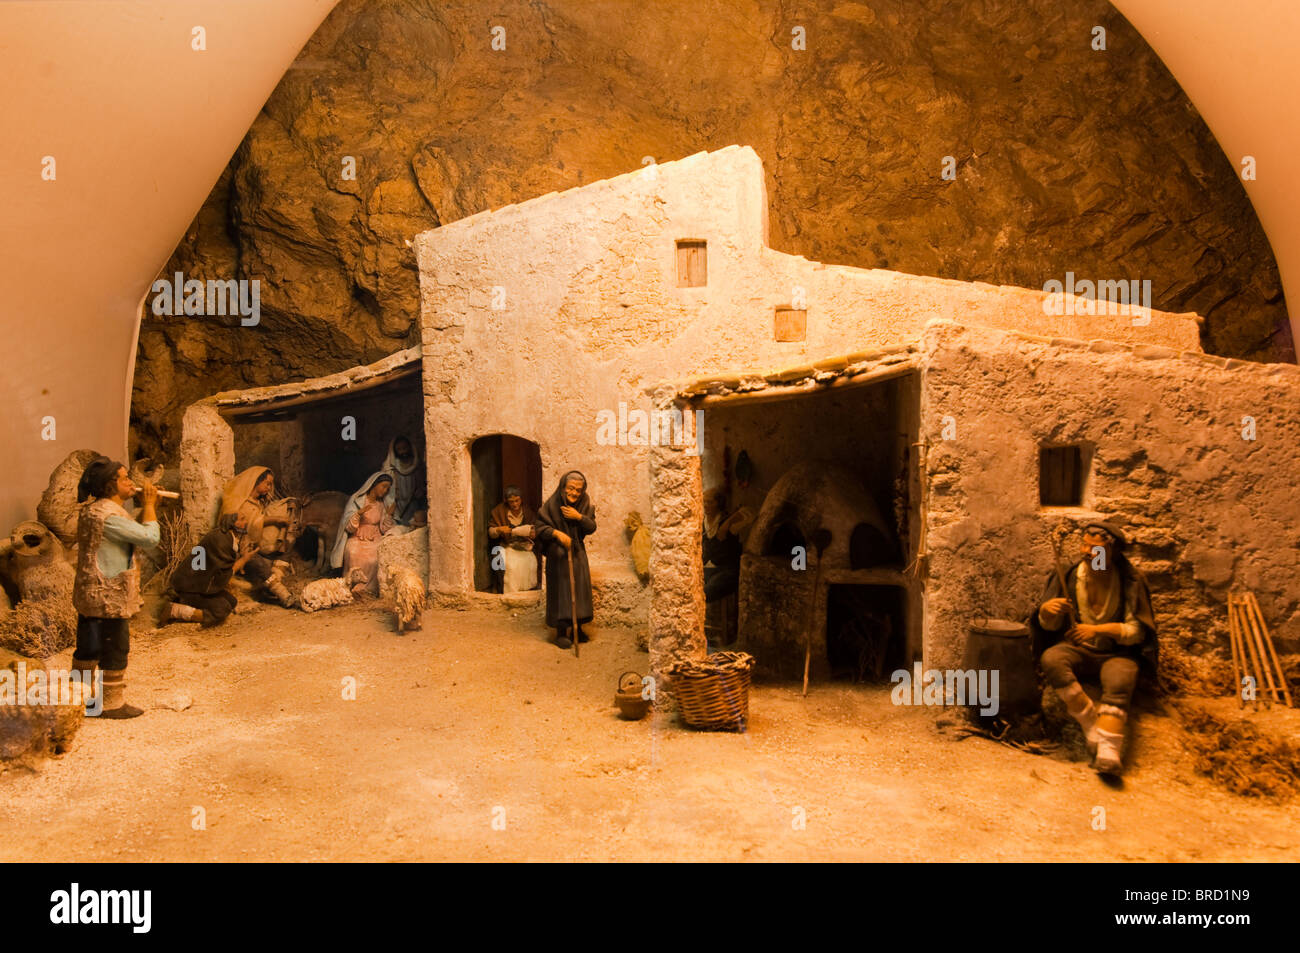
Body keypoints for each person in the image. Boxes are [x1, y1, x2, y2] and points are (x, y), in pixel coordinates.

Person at [1030, 520, 1158, 776]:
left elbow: (1136, 632)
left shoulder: (1130, 581)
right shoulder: (1069, 575)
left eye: (1095, 549)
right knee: (1053, 659)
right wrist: (1047, 611)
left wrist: (1098, 630)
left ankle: (1109, 750)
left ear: (1112, 553)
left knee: (1121, 679)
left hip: (1115, 652)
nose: (1086, 553)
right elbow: (1047, 625)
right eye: (1085, 546)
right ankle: (1090, 723)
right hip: (1078, 649)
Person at [70, 457, 161, 719]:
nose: (131, 482)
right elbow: (149, 538)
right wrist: (151, 507)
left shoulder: (93, 511)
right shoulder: (109, 516)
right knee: (115, 647)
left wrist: (146, 510)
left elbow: (129, 529)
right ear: (111, 485)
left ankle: (78, 701)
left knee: (88, 647)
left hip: (90, 594)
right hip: (108, 595)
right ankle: (110, 703)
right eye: (124, 478)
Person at [534, 471, 597, 649]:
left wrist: (578, 517)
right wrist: (556, 533)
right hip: (558, 556)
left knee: (579, 591)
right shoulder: (551, 505)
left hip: (577, 554)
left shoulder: (584, 503)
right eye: (570, 488)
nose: (574, 493)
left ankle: (578, 628)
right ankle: (562, 632)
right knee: (562, 593)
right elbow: (539, 527)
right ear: (563, 488)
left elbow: (591, 527)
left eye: (578, 490)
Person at [160, 512, 250, 627]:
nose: (245, 522)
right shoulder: (221, 540)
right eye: (242, 519)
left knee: (232, 601)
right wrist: (244, 560)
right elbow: (222, 572)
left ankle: (183, 602)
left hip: (199, 583)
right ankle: (174, 609)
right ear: (231, 522)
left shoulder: (227, 537)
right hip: (190, 587)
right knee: (222, 610)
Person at [220, 467, 293, 606]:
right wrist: (274, 520)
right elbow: (247, 525)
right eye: (267, 483)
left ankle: (274, 581)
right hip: (240, 548)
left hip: (255, 543)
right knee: (255, 560)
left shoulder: (258, 502)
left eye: (271, 484)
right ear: (255, 482)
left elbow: (256, 521)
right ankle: (282, 592)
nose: (269, 487)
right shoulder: (240, 503)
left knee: (286, 545)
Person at [702, 487, 753, 647]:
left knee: (703, 594)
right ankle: (700, 633)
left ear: (718, 503)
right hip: (710, 570)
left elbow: (750, 512)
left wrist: (727, 524)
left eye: (709, 502)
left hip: (728, 571)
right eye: (704, 502)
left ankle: (705, 636)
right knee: (688, 588)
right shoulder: (703, 522)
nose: (706, 505)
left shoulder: (727, 521)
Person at [332, 472, 396, 596]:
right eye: (384, 486)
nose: (385, 490)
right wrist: (358, 514)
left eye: (388, 488)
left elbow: (384, 528)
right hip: (357, 536)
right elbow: (348, 527)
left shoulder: (381, 504)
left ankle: (369, 591)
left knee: (375, 558)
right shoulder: (357, 501)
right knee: (353, 552)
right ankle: (352, 589)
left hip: (375, 537)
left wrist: (388, 515)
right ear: (374, 484)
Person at [489, 485, 538, 593]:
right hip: (506, 545)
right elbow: (491, 532)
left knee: (529, 561)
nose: (515, 504)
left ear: (521, 499)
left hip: (524, 546)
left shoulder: (527, 512)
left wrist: (532, 533)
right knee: (497, 555)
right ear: (506, 501)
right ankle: (501, 589)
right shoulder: (499, 511)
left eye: (517, 500)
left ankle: (527, 589)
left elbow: (536, 529)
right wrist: (498, 530)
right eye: (511, 502)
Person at [382, 436, 427, 528]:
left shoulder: (416, 465)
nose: (403, 452)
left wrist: (419, 491)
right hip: (397, 504)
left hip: (413, 503)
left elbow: (422, 485)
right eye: (399, 449)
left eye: (404, 448)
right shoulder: (392, 468)